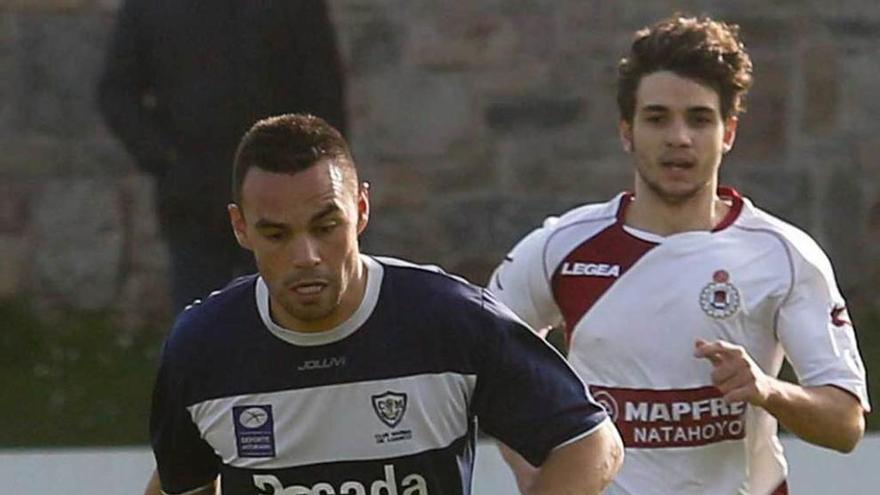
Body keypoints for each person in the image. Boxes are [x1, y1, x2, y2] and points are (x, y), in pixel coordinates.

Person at [488, 14, 870, 495]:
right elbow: (480, 362)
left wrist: (767, 390)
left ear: (727, 133)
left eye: (699, 118)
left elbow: (846, 423)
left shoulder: (784, 255)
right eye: (657, 118)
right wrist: (532, 471)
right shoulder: (560, 247)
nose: (679, 138)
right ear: (627, 131)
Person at [143, 113, 623, 495]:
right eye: (276, 233)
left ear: (362, 209)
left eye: (326, 225)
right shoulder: (201, 347)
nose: (306, 255)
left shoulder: (449, 321)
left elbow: (591, 443)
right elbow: (180, 483)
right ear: (240, 227)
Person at [97, 0, 347, 313]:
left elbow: (324, 94)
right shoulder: (154, 7)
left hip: (282, 196)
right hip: (193, 197)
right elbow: (117, 93)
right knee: (200, 331)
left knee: (287, 325)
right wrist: (165, 159)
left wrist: (314, 175)